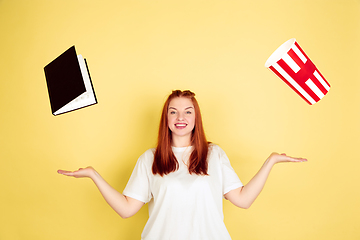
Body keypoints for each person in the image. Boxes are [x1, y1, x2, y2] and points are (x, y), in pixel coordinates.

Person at [58, 90, 307, 240]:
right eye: (173, 112)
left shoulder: (214, 155)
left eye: (188, 112)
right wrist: (93, 175)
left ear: (196, 118)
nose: (180, 118)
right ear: (165, 118)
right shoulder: (150, 158)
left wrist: (271, 161)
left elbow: (243, 199)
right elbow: (126, 209)